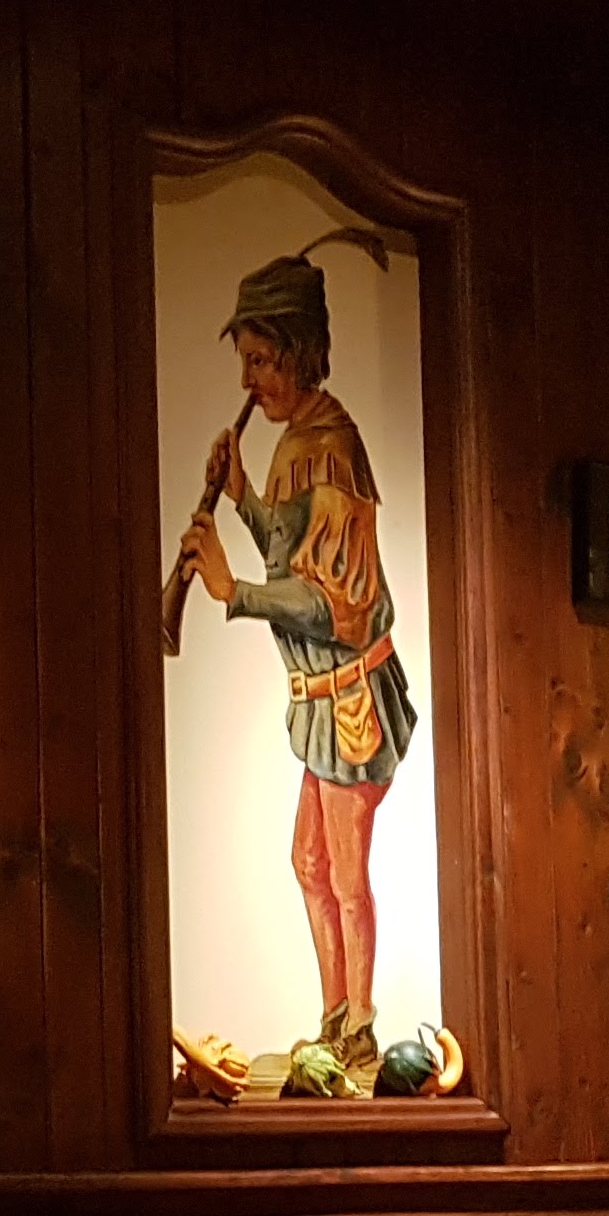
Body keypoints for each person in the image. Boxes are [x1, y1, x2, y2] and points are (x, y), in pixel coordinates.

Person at [174, 246, 415, 1074]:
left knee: (345, 875)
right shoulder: (297, 441)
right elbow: (293, 550)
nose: (249, 381)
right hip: (320, 701)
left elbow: (330, 603)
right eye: (244, 362)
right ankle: (333, 1018)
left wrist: (230, 590)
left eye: (260, 361)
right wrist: (241, 494)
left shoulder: (332, 448)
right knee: (307, 862)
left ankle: (359, 1030)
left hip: (351, 701)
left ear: (298, 352)